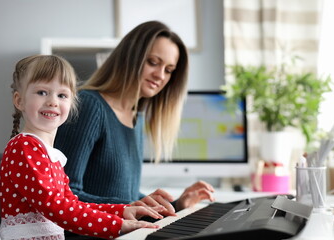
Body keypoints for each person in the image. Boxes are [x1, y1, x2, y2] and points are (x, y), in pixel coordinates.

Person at [54, 21, 215, 218]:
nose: (160, 75)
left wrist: (177, 205)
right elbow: (64, 196)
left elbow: (127, 197)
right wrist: (130, 206)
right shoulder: (90, 106)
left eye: (169, 70)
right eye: (153, 62)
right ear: (130, 57)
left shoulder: (135, 117)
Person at [0, 55, 164, 240]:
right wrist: (116, 226)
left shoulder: (50, 155)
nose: (53, 101)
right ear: (19, 100)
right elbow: (55, 206)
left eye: (62, 95)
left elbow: (73, 204)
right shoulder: (24, 146)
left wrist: (123, 210)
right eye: (42, 92)